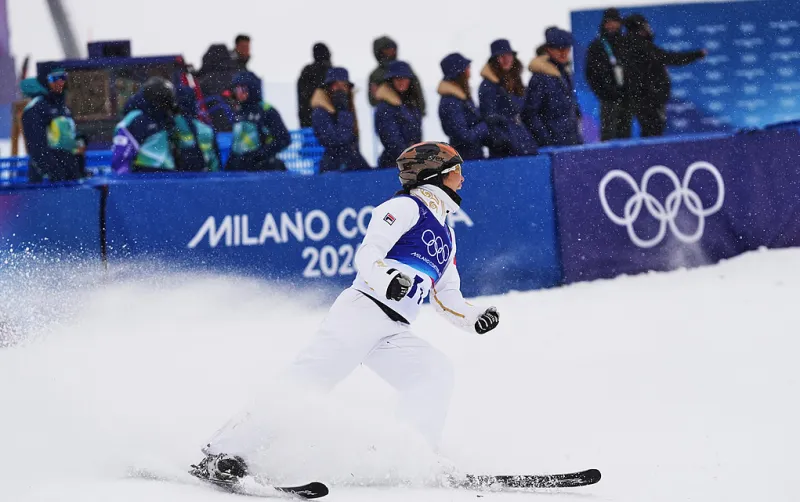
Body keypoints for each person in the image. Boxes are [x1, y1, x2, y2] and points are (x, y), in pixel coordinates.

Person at [189, 141, 501, 485]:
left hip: (394, 330)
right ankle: (223, 452)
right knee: (306, 384)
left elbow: (446, 295)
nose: (462, 178)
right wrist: (387, 278)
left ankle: (409, 459)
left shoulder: (447, 234)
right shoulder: (404, 207)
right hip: (360, 313)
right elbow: (369, 253)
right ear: (436, 175)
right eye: (457, 170)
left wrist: (474, 318)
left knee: (434, 373)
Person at [621, 14, 706, 137]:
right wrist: (696, 55)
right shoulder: (641, 46)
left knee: (650, 131)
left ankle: (650, 154)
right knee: (652, 132)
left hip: (645, 98)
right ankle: (651, 155)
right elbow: (670, 58)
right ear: (640, 28)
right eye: (646, 25)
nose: (649, 29)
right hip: (648, 99)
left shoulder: (632, 45)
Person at [21, 68, 86, 182]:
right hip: (48, 181)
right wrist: (53, 172)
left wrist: (81, 141)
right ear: (45, 81)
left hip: (70, 175)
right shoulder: (37, 108)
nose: (60, 82)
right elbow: (36, 146)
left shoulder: (62, 107)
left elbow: (69, 140)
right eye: (54, 78)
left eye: (63, 77)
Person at [522, 27, 583, 147]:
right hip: (555, 145)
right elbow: (530, 114)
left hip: (570, 141)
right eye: (559, 49)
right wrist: (547, 140)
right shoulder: (540, 78)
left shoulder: (564, 73)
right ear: (548, 50)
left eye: (566, 48)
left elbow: (569, 106)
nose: (563, 52)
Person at [478, 39, 537, 158]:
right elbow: (489, 117)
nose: (506, 59)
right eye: (501, 56)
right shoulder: (488, 86)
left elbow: (524, 111)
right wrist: (503, 141)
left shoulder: (516, 81)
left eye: (509, 55)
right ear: (495, 60)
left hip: (523, 140)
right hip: (506, 148)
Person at [111, 77, 180, 173]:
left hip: (168, 176)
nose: (168, 106)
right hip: (144, 178)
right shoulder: (137, 119)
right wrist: (123, 182)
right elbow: (121, 159)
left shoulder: (165, 118)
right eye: (166, 100)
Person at [225, 71, 291, 172]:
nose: (238, 93)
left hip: (263, 166)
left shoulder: (266, 110)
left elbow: (284, 139)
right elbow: (236, 142)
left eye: (242, 89)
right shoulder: (238, 113)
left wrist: (260, 155)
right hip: (240, 168)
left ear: (251, 89)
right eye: (236, 90)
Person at [311, 67, 371, 172]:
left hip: (352, 161)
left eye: (344, 85)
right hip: (333, 166)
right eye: (336, 85)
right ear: (328, 88)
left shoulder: (349, 108)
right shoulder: (320, 112)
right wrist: (343, 112)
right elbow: (336, 140)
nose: (340, 89)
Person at [585, 8, 629, 141]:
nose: (612, 25)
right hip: (608, 100)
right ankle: (609, 161)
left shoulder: (626, 43)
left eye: (614, 22)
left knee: (625, 134)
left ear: (620, 23)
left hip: (626, 99)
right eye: (608, 22)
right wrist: (604, 94)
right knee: (608, 134)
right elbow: (591, 74)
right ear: (603, 24)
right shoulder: (596, 46)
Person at [438, 53, 489, 160]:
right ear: (459, 73)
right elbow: (464, 136)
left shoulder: (459, 97)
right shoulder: (451, 101)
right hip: (467, 159)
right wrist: (486, 125)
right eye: (466, 67)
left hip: (470, 156)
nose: (469, 71)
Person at [374, 61, 423, 168]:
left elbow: (417, 137)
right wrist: (410, 160)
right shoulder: (385, 108)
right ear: (391, 80)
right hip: (394, 164)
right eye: (397, 78)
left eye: (405, 78)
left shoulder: (411, 105)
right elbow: (391, 140)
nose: (402, 81)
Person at [368, 36, 426, 115]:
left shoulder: (404, 67)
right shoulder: (375, 75)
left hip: (410, 112)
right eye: (386, 49)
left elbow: (416, 90)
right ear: (379, 51)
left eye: (392, 48)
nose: (390, 51)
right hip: (387, 114)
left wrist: (420, 110)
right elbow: (373, 100)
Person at [174, 85, 221, 172]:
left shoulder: (172, 124)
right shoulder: (207, 129)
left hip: (177, 179)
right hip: (203, 177)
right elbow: (215, 163)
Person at [297, 43, 333, 128]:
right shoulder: (329, 72)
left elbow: (303, 99)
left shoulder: (306, 72)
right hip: (330, 125)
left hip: (308, 123)